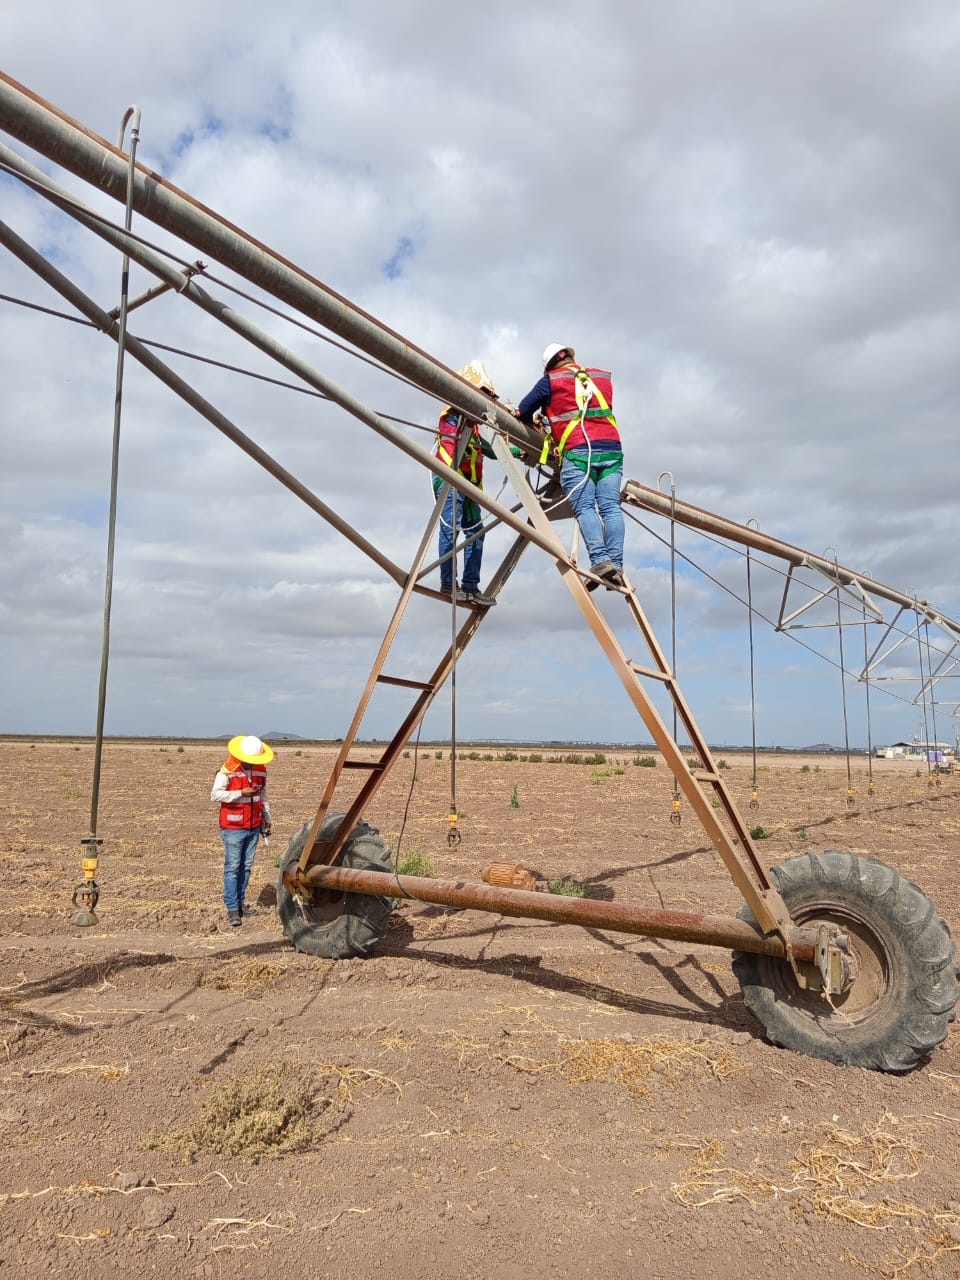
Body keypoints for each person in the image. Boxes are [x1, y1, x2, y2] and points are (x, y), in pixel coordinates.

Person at [516, 343, 625, 587]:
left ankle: (601, 560)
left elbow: (522, 410)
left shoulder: (550, 381)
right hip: (612, 449)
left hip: (579, 452)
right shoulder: (599, 378)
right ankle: (615, 564)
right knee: (610, 507)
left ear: (548, 366)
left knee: (585, 507)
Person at [433, 360, 501, 608]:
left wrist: (517, 451)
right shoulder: (451, 417)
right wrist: (452, 478)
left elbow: (491, 450)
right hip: (451, 479)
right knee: (451, 529)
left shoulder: (473, 428)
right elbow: (449, 446)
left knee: (476, 533)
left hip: (470, 486)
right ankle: (448, 584)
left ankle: (471, 586)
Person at [210, 734, 273, 927]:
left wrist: (267, 818)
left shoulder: (261, 771)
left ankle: (240, 904)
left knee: (246, 867)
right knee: (232, 868)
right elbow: (215, 794)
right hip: (233, 827)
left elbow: (263, 795)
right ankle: (232, 909)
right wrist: (240, 793)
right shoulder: (227, 771)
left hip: (254, 825)